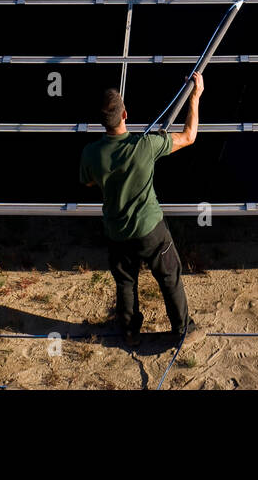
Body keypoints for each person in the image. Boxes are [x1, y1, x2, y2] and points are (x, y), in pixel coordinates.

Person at [80, 71, 205, 347]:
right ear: (125, 115)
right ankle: (183, 330)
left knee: (125, 282)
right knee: (169, 275)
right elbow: (189, 137)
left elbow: (88, 181)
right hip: (151, 230)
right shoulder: (145, 146)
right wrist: (194, 97)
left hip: (116, 232)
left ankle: (128, 332)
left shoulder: (91, 153)